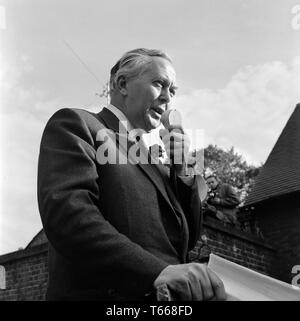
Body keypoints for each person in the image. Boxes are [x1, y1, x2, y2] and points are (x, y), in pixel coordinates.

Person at [37, 48, 226, 301]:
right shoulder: (78, 124)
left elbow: (187, 240)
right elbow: (69, 217)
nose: (167, 98)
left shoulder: (159, 165)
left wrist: (183, 170)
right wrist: (156, 272)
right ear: (122, 84)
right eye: (159, 84)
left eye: (173, 91)